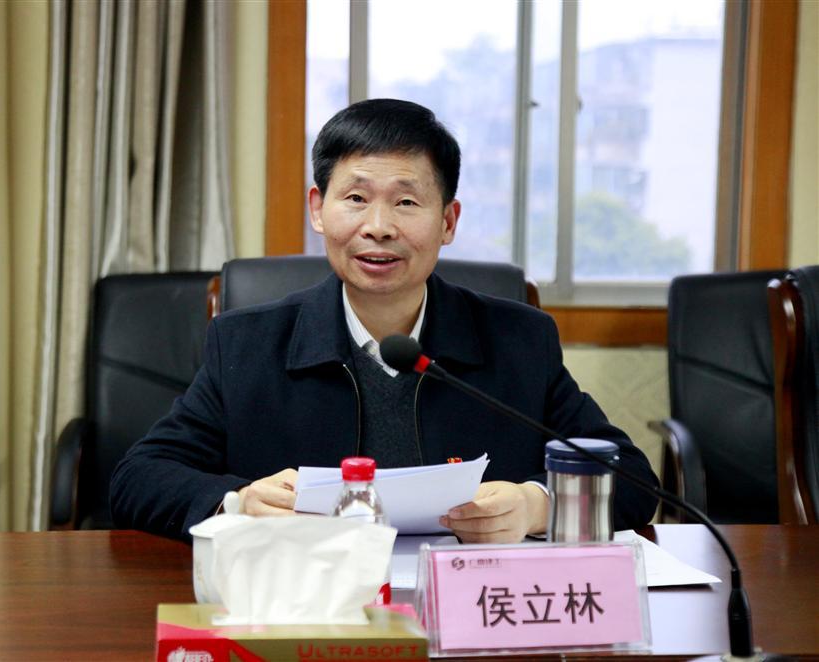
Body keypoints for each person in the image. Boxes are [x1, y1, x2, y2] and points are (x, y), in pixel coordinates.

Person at [110, 98, 659, 542]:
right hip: (311, 608)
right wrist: (238, 502)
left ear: (448, 222)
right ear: (317, 209)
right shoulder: (247, 344)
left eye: (406, 203)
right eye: (355, 198)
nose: (378, 226)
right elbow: (138, 478)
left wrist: (535, 504)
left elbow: (633, 479)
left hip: (468, 608)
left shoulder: (517, 340)